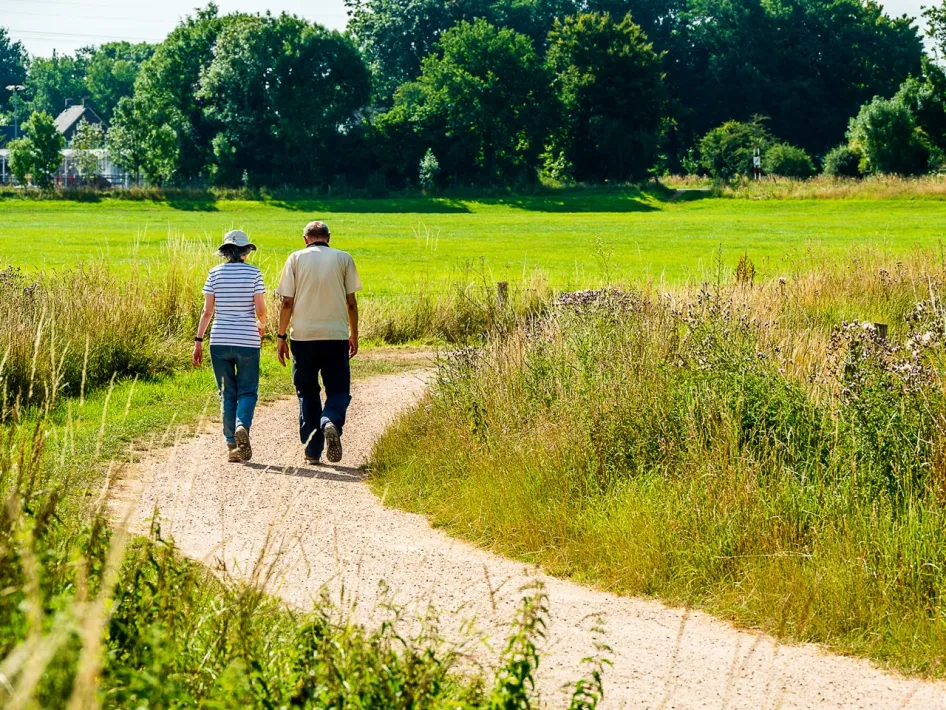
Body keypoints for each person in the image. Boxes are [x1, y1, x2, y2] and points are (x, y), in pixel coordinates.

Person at [276, 220, 361, 465]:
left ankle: (312, 451)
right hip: (336, 335)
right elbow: (351, 303)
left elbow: (286, 303)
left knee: (307, 391)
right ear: (329, 237)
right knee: (338, 389)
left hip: (302, 337)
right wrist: (353, 334)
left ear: (305, 239)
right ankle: (331, 421)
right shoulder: (344, 258)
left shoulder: (295, 258)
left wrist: (281, 337)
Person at [193, 230, 266, 463]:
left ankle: (232, 447)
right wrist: (261, 325)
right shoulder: (254, 273)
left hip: (219, 340)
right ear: (246, 250)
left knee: (226, 393)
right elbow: (260, 309)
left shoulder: (214, 273)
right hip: (247, 340)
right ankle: (242, 425)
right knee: (247, 391)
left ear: (225, 251)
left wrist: (198, 341)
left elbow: (207, 312)